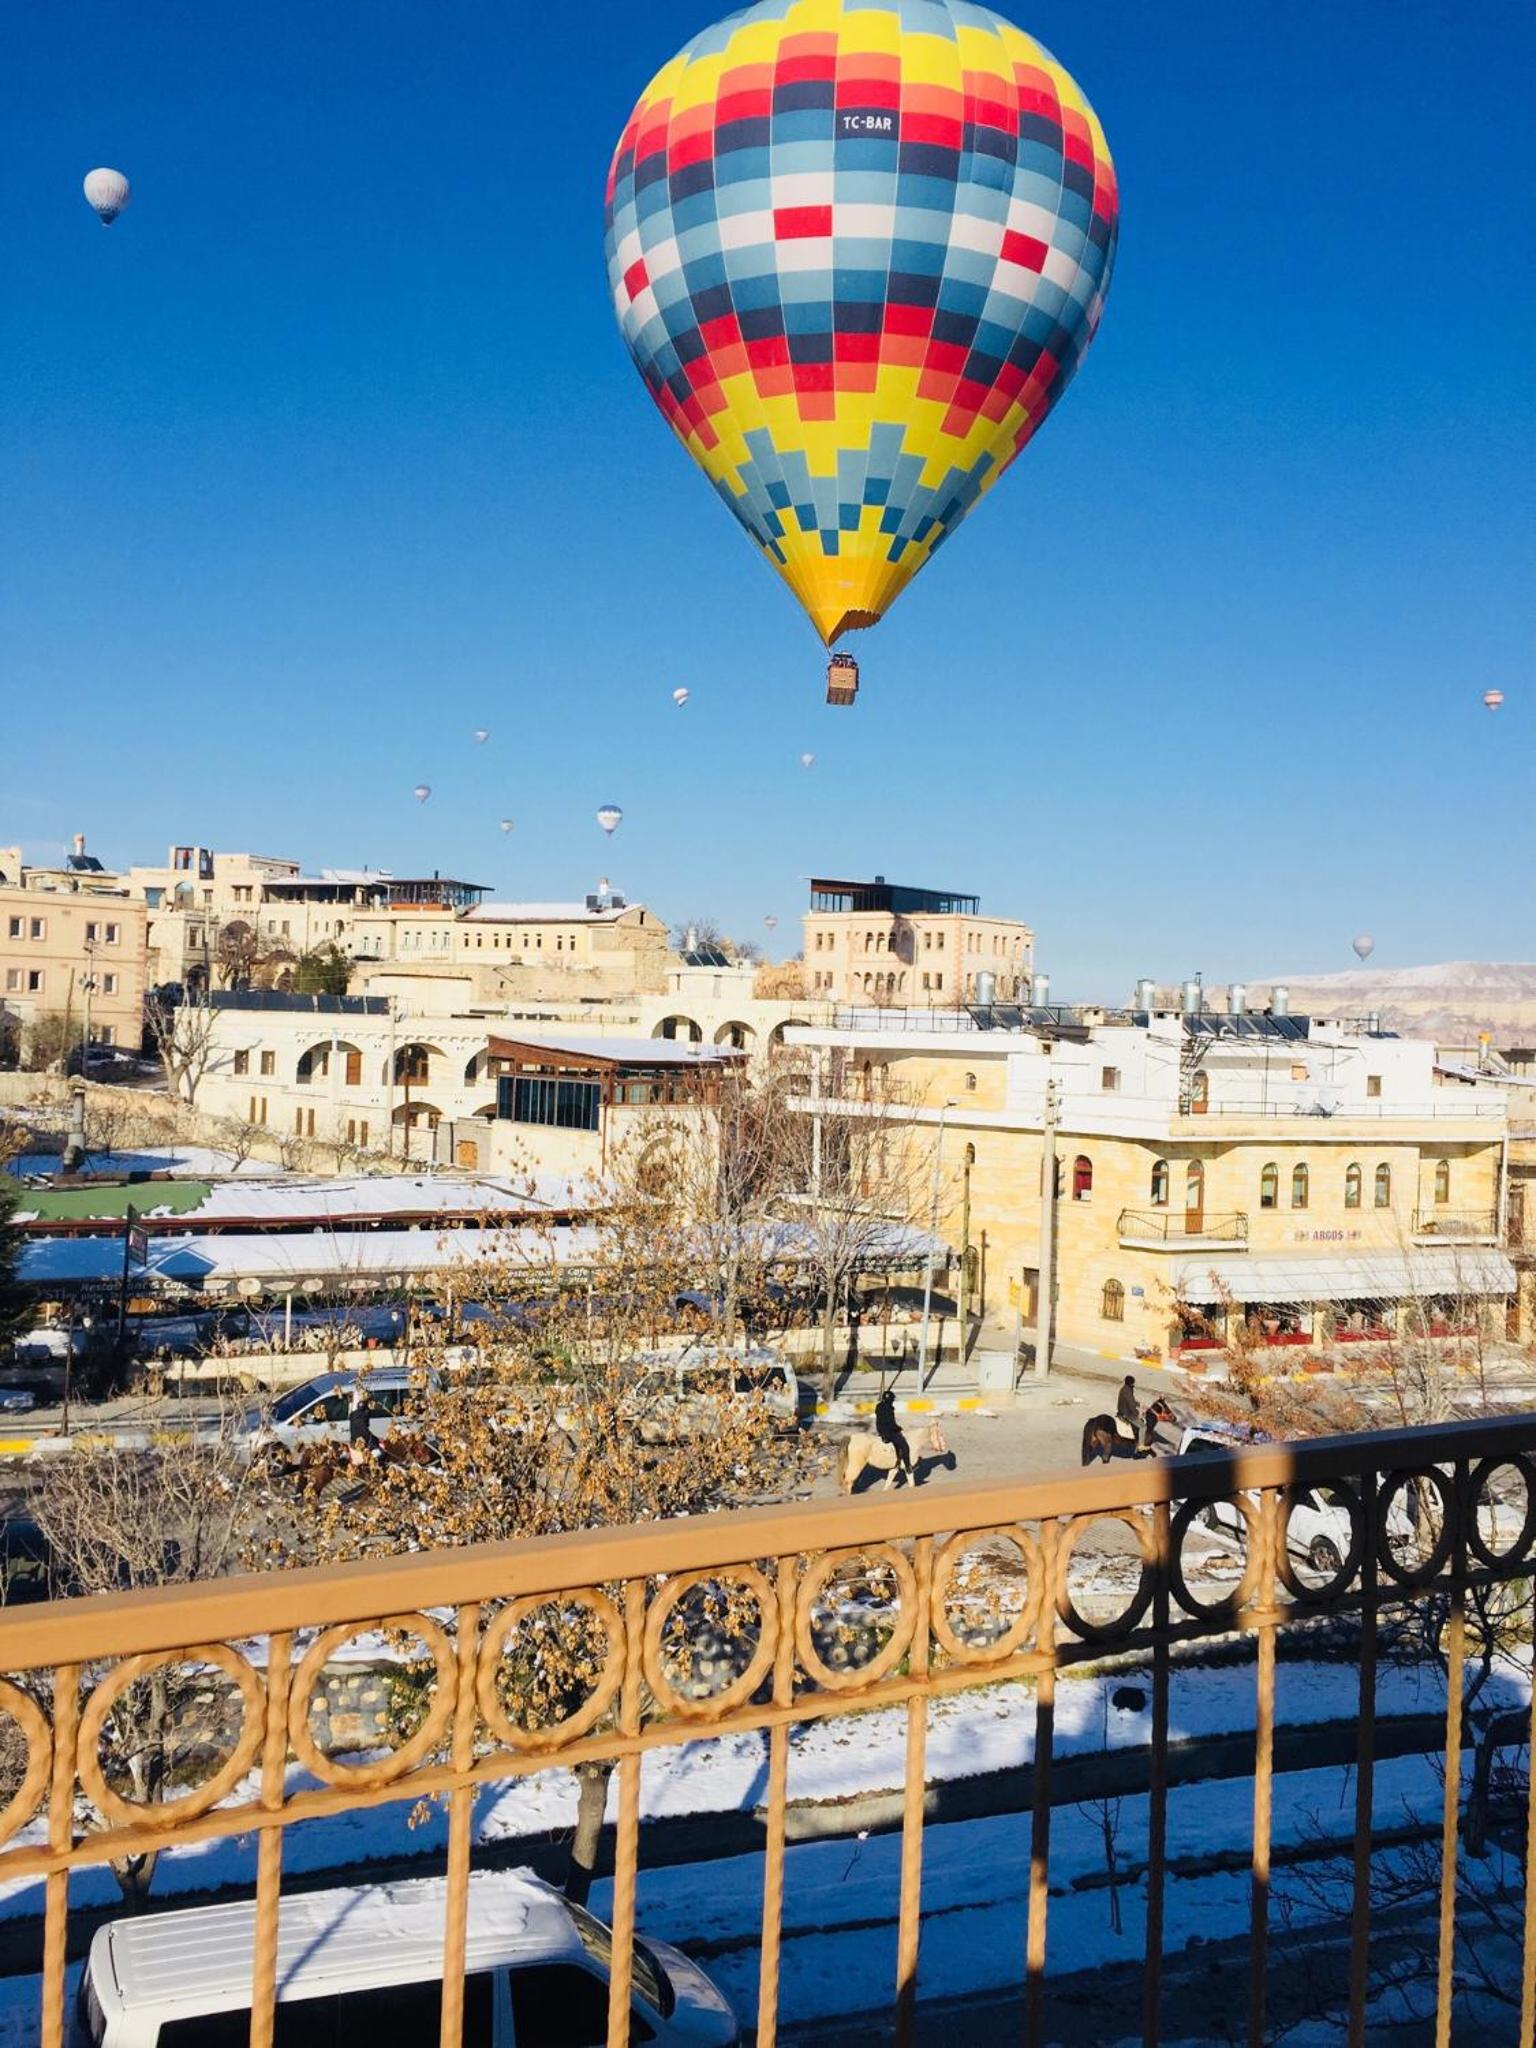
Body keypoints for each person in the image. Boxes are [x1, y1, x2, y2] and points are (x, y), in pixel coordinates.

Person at [874, 1383, 913, 1487]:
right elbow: (891, 1424)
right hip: (888, 1432)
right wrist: (899, 1428)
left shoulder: (879, 1406)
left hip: (880, 1430)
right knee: (905, 1446)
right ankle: (908, 1466)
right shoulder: (889, 1409)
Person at [348, 1383, 377, 1467]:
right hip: (361, 1445)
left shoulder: (354, 1415)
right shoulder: (361, 1416)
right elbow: (366, 1432)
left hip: (355, 1442)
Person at [1115, 1374, 1141, 1442]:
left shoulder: (1124, 1389)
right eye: (1133, 1383)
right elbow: (1131, 1404)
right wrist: (1137, 1413)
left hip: (1122, 1410)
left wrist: (1139, 1404)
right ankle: (1141, 1445)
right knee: (1143, 1427)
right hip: (1126, 1413)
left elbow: (1130, 1401)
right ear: (1131, 1383)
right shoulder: (1128, 1391)